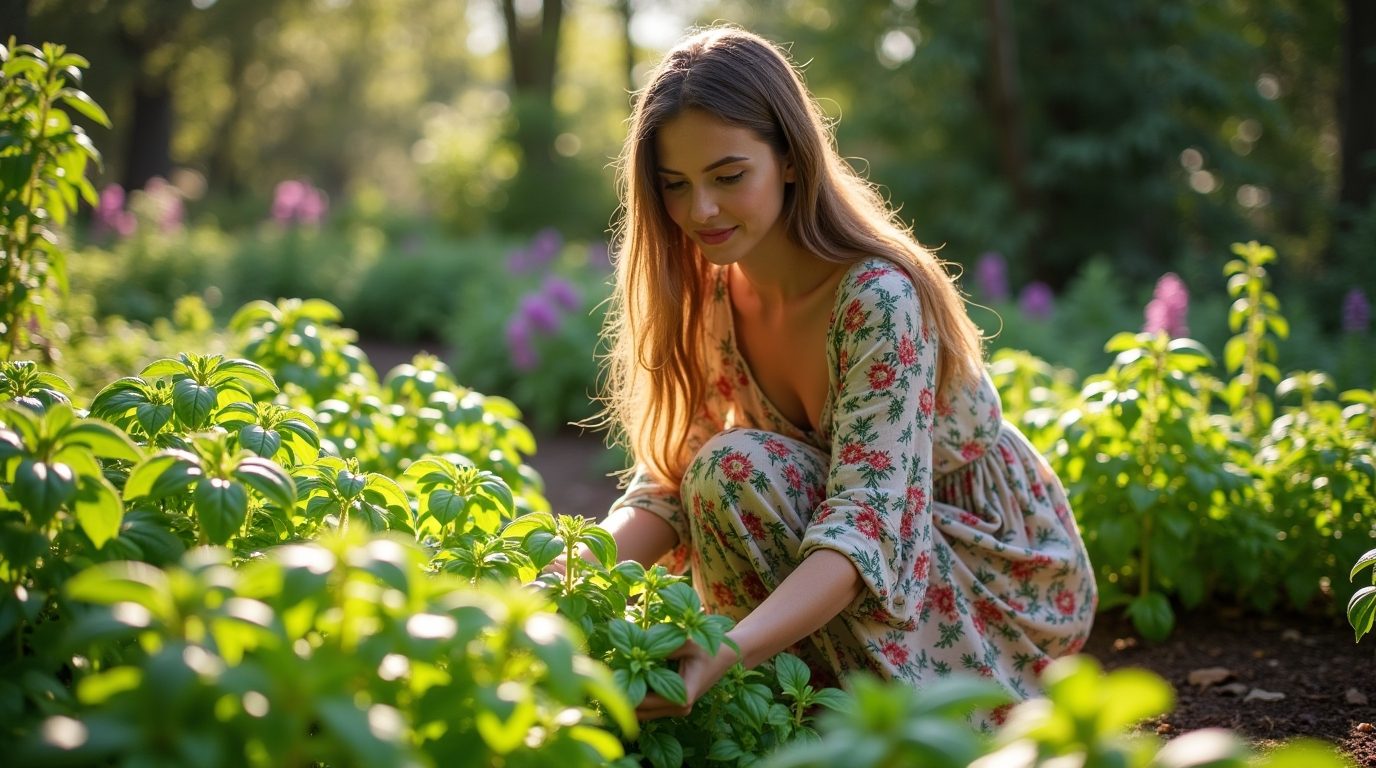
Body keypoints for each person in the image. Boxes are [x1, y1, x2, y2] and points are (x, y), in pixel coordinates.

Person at [590, 25, 1096, 725]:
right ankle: (791, 705)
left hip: (977, 562)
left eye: (728, 176)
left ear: (792, 161)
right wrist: (562, 577)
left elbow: (869, 525)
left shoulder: (875, 297)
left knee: (736, 471)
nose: (699, 210)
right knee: (718, 470)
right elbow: (670, 481)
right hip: (844, 549)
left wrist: (723, 652)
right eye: (675, 185)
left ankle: (871, 716)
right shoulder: (711, 292)